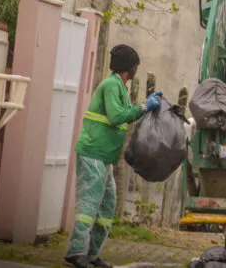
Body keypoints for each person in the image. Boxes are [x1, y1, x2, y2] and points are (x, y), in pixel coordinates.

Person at [65, 44, 162, 268]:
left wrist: (144, 106)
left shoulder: (119, 87)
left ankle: (91, 255)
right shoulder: (110, 85)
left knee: (107, 206)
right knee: (89, 204)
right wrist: (144, 107)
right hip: (93, 154)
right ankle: (76, 252)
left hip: (105, 157)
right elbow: (117, 116)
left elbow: (126, 114)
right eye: (136, 65)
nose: (137, 69)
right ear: (130, 67)